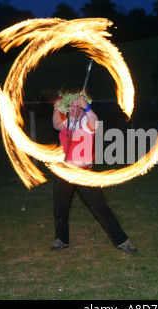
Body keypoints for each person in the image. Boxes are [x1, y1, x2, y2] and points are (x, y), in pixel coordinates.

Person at [50, 90, 137, 253]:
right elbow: (56, 124)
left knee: (100, 208)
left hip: (84, 173)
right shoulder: (67, 122)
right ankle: (61, 239)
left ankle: (122, 241)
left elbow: (95, 122)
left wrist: (87, 108)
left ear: (83, 108)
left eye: (78, 107)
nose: (75, 109)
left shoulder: (86, 122)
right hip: (65, 172)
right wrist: (57, 107)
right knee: (60, 209)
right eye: (72, 107)